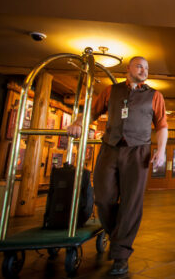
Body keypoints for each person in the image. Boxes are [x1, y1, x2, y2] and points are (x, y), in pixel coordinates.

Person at [67, 56, 167, 276]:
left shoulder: (154, 95)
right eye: (140, 66)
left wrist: (162, 150)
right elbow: (92, 113)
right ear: (128, 68)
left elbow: (161, 126)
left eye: (147, 68)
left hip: (138, 151)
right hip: (110, 148)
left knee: (131, 203)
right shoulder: (110, 91)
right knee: (102, 197)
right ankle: (117, 238)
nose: (144, 70)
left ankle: (121, 255)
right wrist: (76, 123)